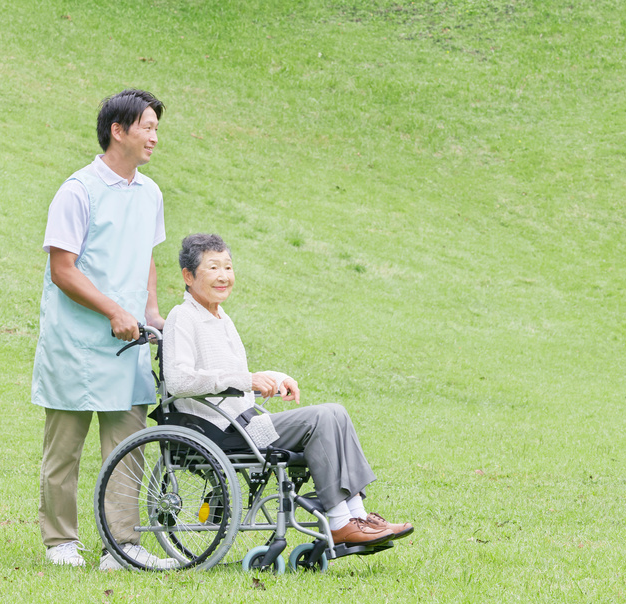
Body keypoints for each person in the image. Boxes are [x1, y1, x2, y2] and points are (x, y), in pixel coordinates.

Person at [162, 234, 414, 546]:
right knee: (322, 417)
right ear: (189, 275)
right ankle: (339, 522)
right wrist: (248, 380)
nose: (224, 276)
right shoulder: (182, 317)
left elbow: (236, 377)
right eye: (214, 268)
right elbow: (178, 381)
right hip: (218, 432)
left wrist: (272, 377)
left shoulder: (221, 318)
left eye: (228, 267)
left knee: (336, 412)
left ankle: (357, 515)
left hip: (245, 424)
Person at [32, 89, 176, 569]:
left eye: (156, 128)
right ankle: (61, 542)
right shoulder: (78, 190)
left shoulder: (150, 192)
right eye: (147, 127)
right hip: (76, 342)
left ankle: (122, 545)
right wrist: (114, 310)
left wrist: (151, 312)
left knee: (127, 449)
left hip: (128, 340)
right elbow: (63, 269)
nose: (155, 137)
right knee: (64, 451)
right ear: (119, 131)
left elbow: (146, 258)